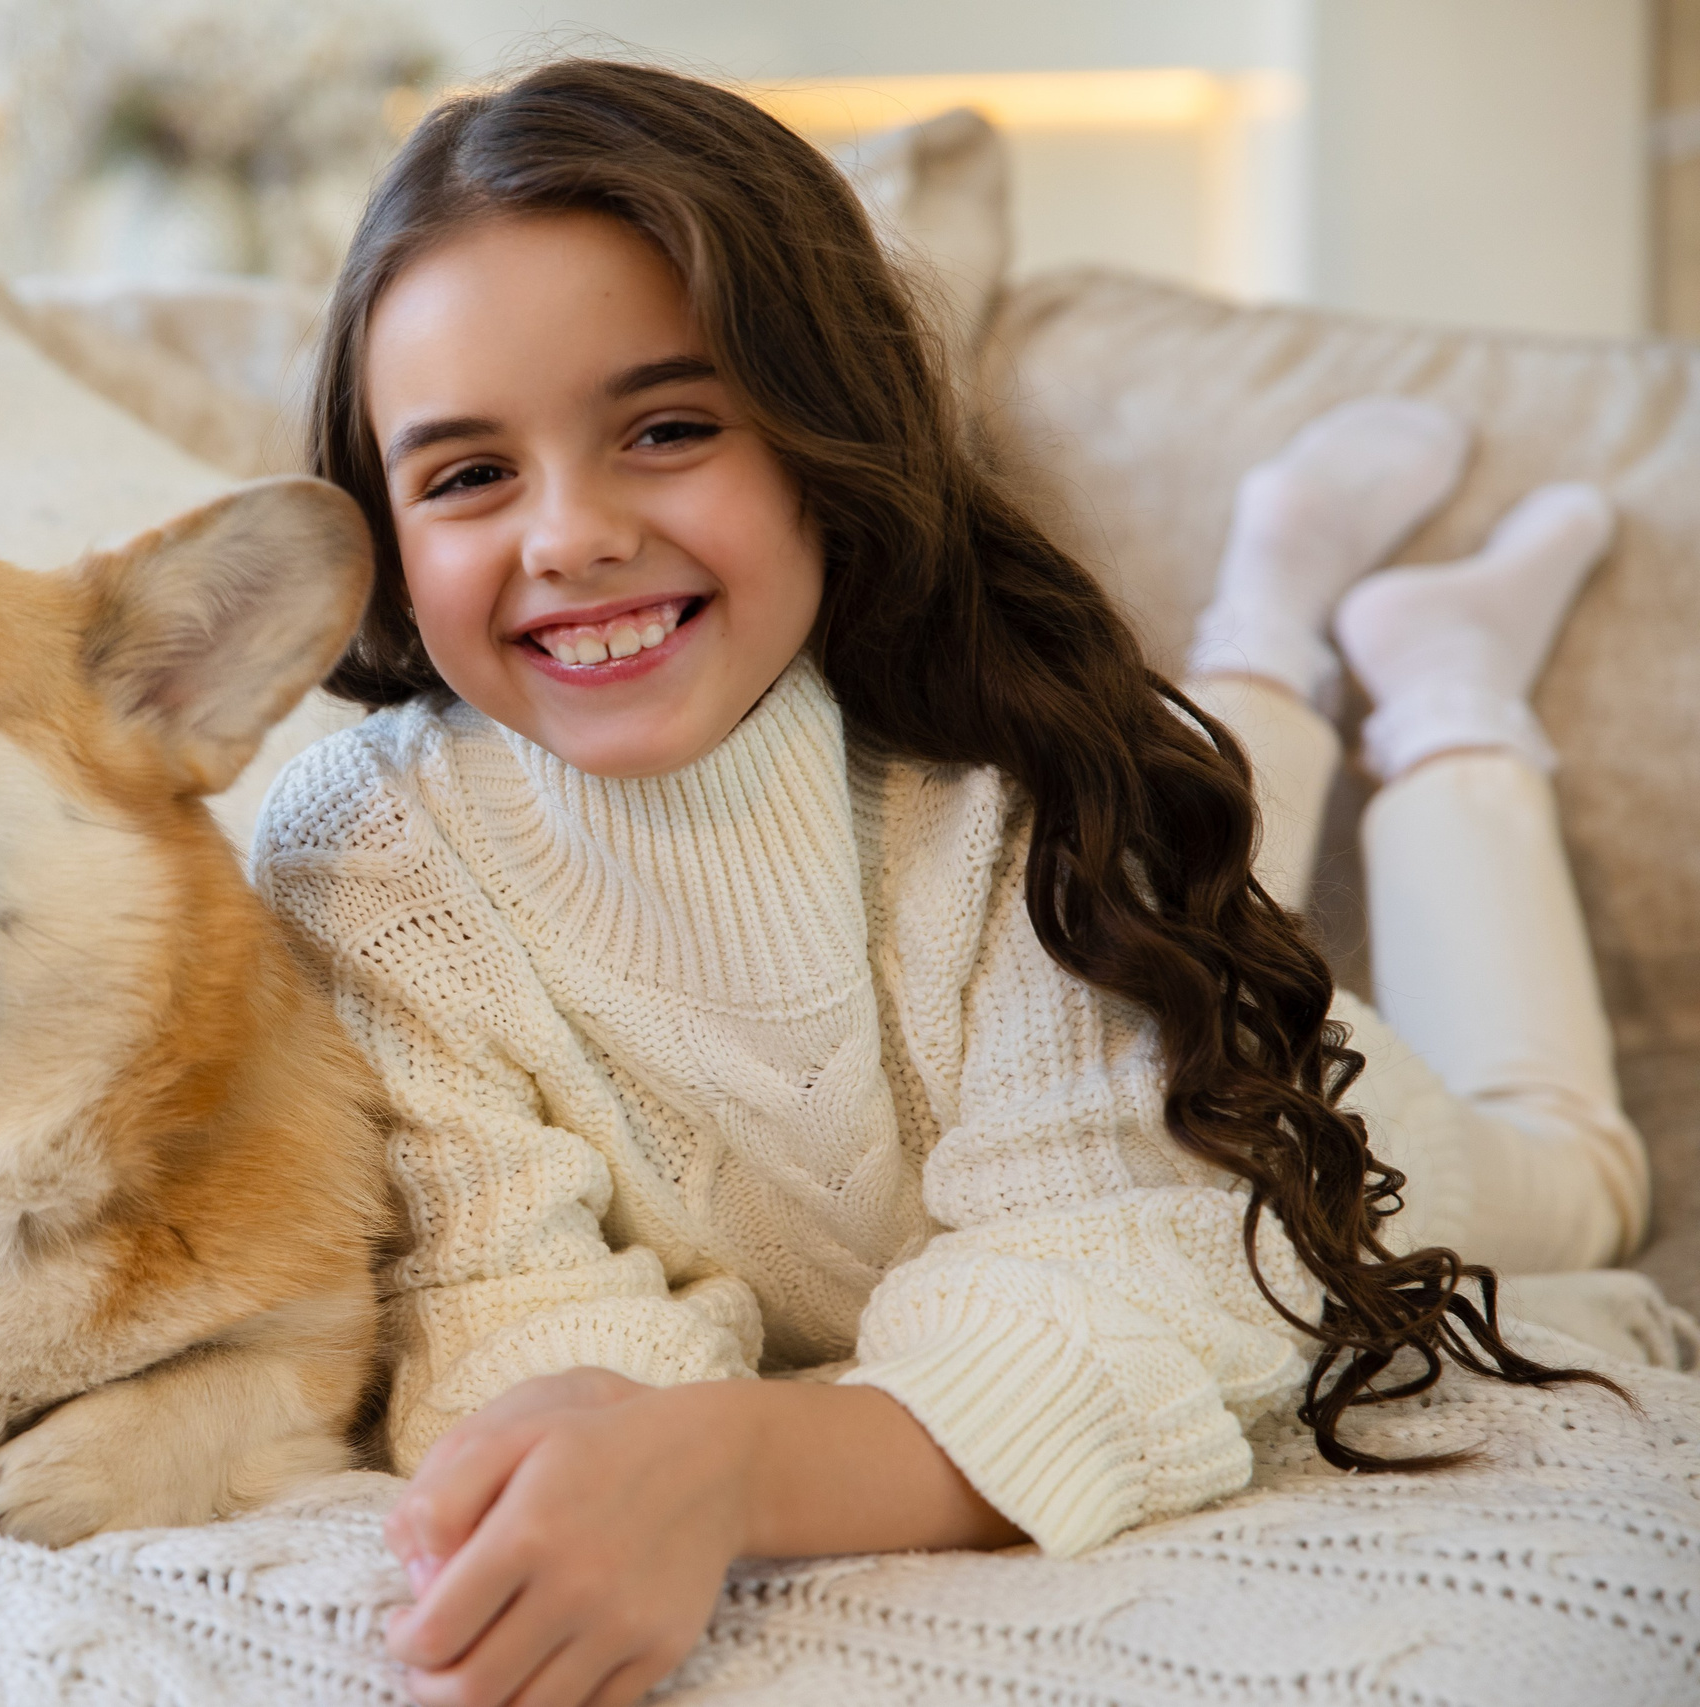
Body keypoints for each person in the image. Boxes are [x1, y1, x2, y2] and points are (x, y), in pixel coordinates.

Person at [249, 60, 1659, 1707]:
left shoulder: (1014, 771)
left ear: (823, 441)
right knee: (1173, 801)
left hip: (1272, 1110)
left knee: (1581, 1167)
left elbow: (1120, 1282)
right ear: (389, 544)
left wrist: (733, 1461)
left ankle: (1448, 693)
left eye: (669, 428)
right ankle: (1294, 613)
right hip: (1046, 958)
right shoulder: (361, 853)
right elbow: (501, 1312)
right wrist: (632, 1454)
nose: (567, 536)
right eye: (469, 474)